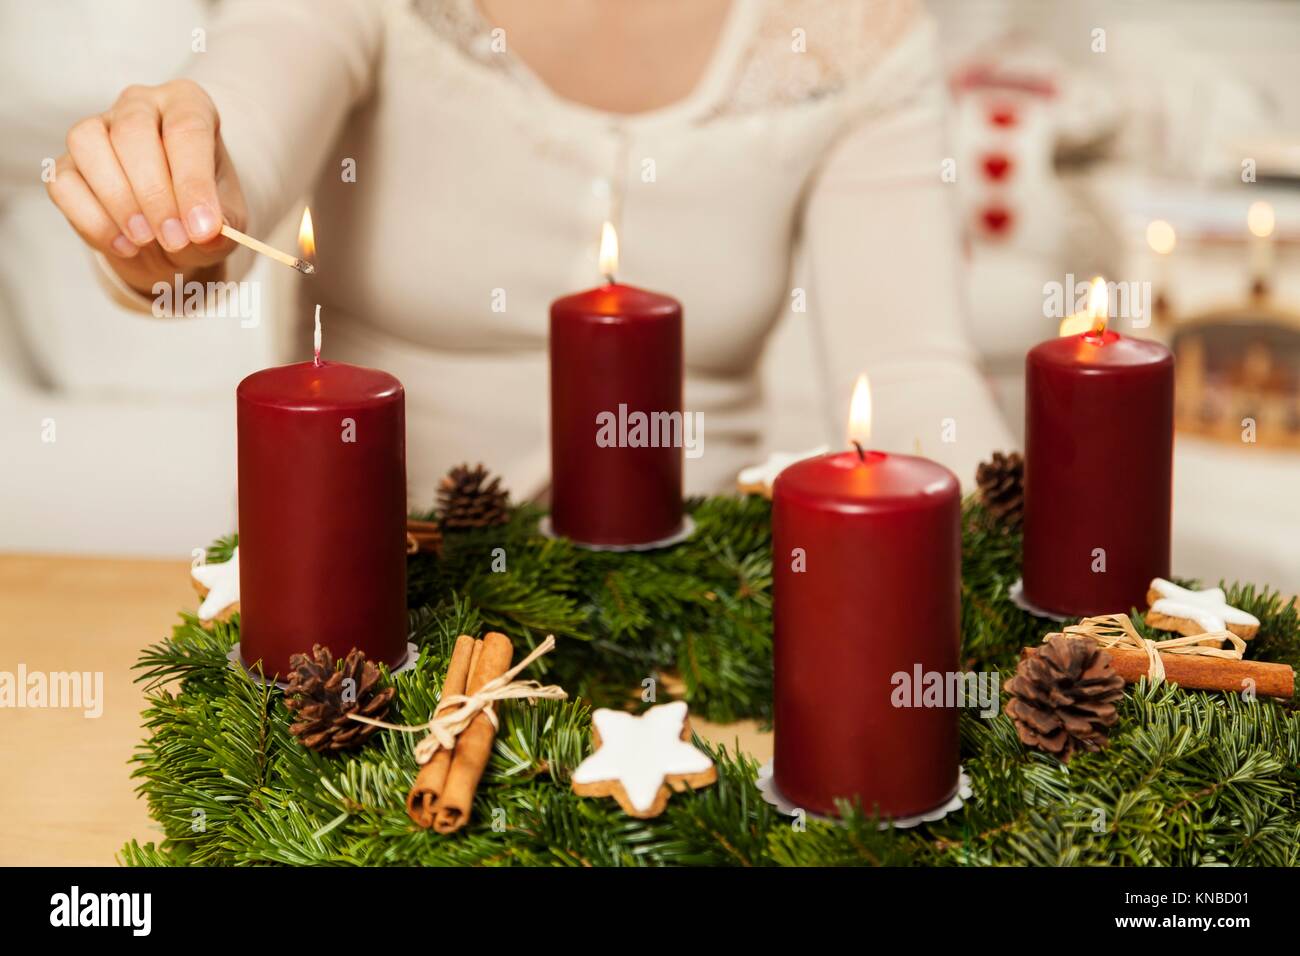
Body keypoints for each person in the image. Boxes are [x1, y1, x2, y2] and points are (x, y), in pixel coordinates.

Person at [46, 0, 1012, 502]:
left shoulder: (855, 37)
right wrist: (172, 182)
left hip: (702, 627)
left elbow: (915, 374)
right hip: (374, 628)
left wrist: (1041, 561)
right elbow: (245, 122)